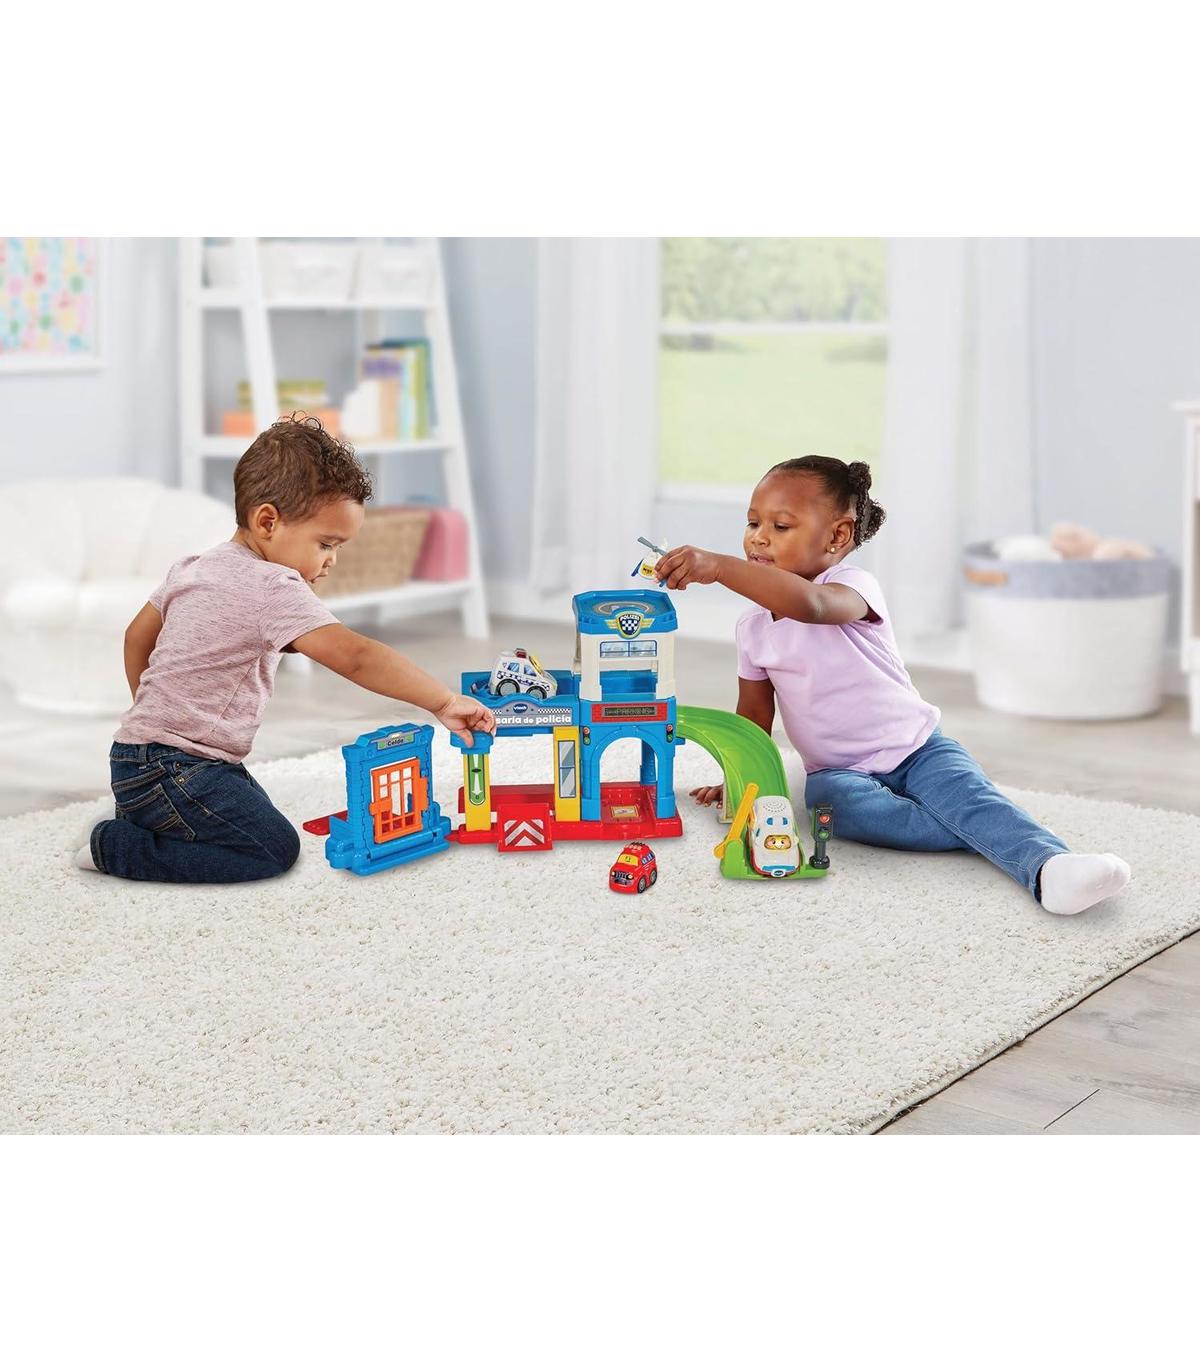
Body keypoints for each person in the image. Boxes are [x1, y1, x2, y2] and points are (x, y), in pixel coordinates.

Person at [654, 454, 1131, 915]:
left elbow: (812, 606)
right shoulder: (752, 628)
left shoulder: (852, 586)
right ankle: (986, 829)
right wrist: (740, 779)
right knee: (834, 811)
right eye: (753, 523)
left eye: (780, 527)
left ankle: (1049, 869)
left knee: (964, 793)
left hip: (917, 748)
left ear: (838, 536)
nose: (758, 538)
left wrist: (719, 567)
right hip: (837, 771)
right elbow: (755, 715)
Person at [74, 415, 494, 883]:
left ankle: (142, 814)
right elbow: (355, 657)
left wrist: (150, 716)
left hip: (135, 756)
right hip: (179, 767)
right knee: (272, 848)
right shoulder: (272, 585)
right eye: (326, 544)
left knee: (247, 810)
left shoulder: (192, 566)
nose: (332, 560)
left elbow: (136, 636)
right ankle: (112, 846)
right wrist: (442, 701)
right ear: (268, 522)